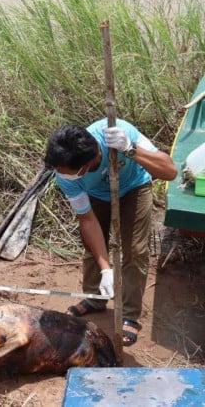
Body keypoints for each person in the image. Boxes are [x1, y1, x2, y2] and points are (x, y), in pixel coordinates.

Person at [44, 119, 177, 347]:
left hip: (134, 186)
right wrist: (107, 269)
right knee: (93, 248)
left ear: (85, 167)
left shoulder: (118, 133)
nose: (61, 175)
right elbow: (87, 219)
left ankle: (130, 314)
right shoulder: (66, 177)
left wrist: (130, 149)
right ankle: (95, 299)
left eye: (66, 172)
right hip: (96, 194)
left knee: (135, 251)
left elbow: (170, 171)